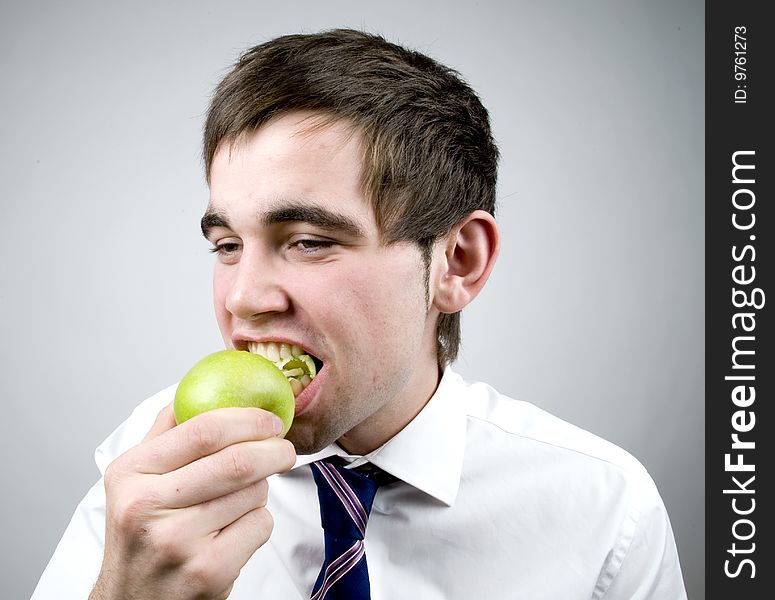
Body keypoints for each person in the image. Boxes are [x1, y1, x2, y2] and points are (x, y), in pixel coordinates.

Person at [32, 29, 687, 599]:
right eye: (227, 245)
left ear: (456, 263)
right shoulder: (151, 472)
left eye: (309, 241)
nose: (243, 297)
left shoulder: (604, 508)